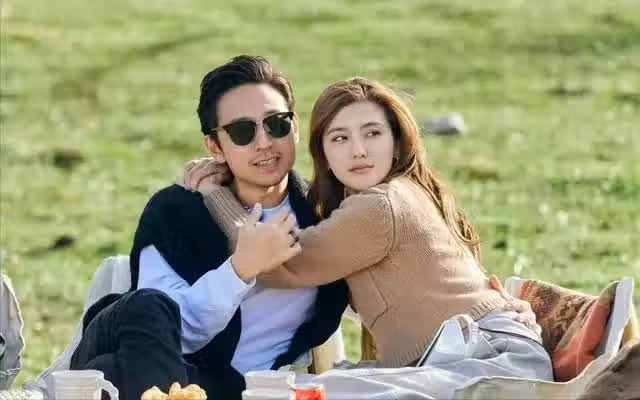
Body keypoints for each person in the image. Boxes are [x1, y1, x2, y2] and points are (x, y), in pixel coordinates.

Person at [183, 77, 552, 382]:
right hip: (463, 360)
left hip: (489, 364)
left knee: (303, 392)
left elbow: (274, 259)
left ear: (396, 144)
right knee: (308, 387)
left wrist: (214, 193)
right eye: (340, 138)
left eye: (372, 133)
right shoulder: (385, 198)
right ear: (325, 155)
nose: (358, 150)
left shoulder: (381, 205)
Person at [69, 55, 349, 400]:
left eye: (276, 124)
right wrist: (239, 270)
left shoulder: (326, 217)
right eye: (242, 131)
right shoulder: (175, 210)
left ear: (295, 127)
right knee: (148, 305)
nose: (264, 142)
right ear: (215, 146)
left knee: (110, 373)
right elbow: (173, 330)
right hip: (145, 342)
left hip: (225, 387)